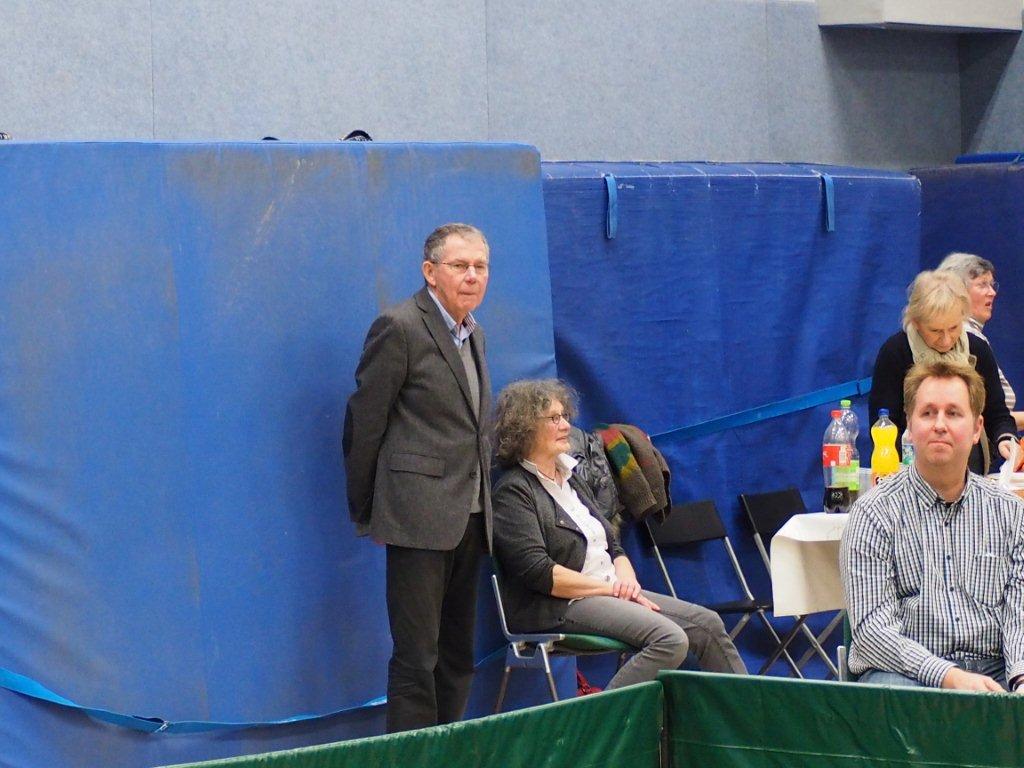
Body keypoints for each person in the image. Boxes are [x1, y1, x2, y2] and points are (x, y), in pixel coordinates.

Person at [490, 379, 747, 688]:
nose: (566, 425)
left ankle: (751, 714)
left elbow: (613, 546)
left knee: (708, 624)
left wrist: (627, 583)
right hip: (556, 605)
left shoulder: (570, 477)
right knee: (669, 639)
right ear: (526, 428)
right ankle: (604, 718)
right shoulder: (513, 491)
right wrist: (612, 590)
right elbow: (540, 574)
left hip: (606, 589)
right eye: (554, 418)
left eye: (565, 416)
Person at [343, 222, 492, 732]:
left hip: (472, 515)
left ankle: (445, 749)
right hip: (416, 518)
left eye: (480, 266)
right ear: (430, 271)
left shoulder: (474, 333)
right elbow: (364, 423)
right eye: (460, 265)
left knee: (458, 655)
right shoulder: (400, 326)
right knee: (416, 658)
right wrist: (369, 510)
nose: (472, 276)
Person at [842, 360, 1024, 691]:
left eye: (953, 413)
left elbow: (1019, 614)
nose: (940, 424)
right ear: (909, 427)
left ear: (977, 429)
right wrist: (949, 677)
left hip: (997, 671)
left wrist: (1021, 679)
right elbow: (871, 633)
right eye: (927, 413)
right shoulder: (872, 513)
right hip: (907, 675)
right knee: (891, 693)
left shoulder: (1011, 513)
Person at [869, 269, 1017, 475]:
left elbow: (997, 412)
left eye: (954, 328)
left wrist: (1005, 438)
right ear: (916, 323)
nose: (946, 340)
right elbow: (884, 424)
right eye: (936, 331)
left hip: (971, 470)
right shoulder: (895, 352)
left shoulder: (978, 350)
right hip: (910, 472)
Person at [938, 252, 1024, 431]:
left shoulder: (973, 336)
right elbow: (982, 415)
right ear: (958, 291)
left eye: (992, 285)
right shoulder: (963, 338)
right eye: (982, 284)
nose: (992, 292)